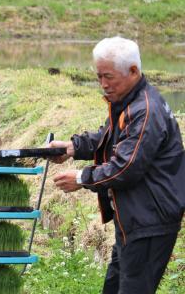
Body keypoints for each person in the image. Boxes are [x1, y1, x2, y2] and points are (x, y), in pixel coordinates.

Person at [48, 36, 184, 294]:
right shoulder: (130, 103)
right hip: (132, 219)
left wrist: (81, 178)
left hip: (150, 221)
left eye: (108, 76)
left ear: (133, 71)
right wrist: (72, 147)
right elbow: (109, 137)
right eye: (98, 76)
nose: (103, 84)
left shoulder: (146, 110)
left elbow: (126, 167)